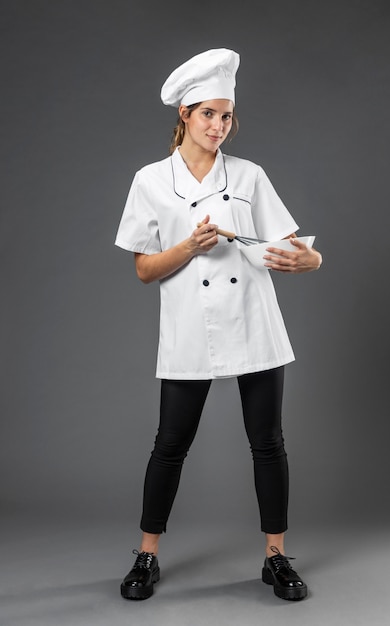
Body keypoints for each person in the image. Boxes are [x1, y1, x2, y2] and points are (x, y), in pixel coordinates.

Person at [115, 48, 322, 602]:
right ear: (184, 114)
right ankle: (146, 555)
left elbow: (291, 245)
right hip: (190, 329)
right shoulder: (151, 181)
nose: (219, 126)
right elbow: (142, 269)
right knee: (169, 445)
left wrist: (310, 259)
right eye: (208, 114)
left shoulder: (250, 175)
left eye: (227, 116)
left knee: (268, 444)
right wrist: (188, 246)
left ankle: (276, 558)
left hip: (255, 321)